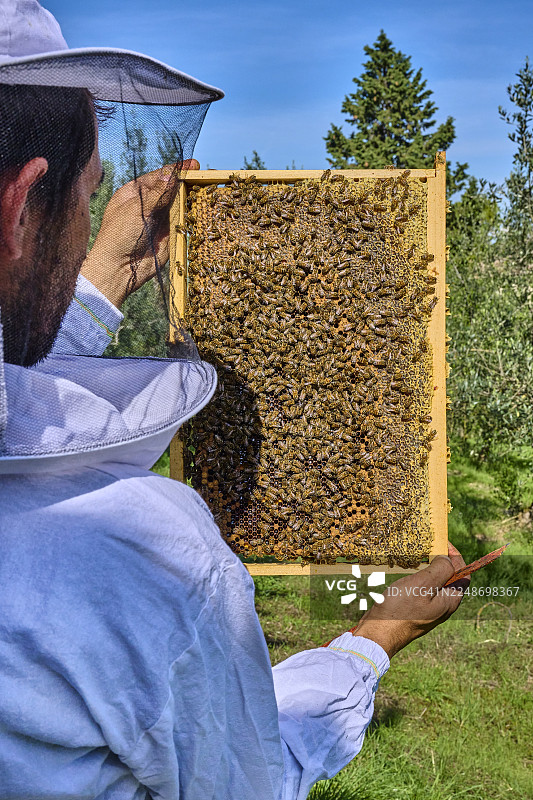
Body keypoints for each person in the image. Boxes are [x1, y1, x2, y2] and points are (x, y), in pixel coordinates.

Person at [0, 2, 470, 798]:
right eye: (83, 202)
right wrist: (372, 640)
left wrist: (102, 282)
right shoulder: (131, 555)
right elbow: (244, 777)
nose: (85, 232)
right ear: (21, 205)